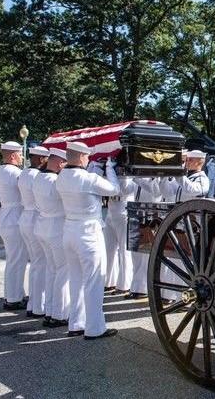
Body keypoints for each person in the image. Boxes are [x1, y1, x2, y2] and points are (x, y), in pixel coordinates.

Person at [56, 141, 120, 339]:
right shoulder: (88, 178)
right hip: (88, 234)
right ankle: (94, 328)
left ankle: (76, 324)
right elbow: (114, 190)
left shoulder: (61, 177)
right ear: (82, 157)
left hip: (69, 231)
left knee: (75, 280)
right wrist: (109, 168)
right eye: (86, 157)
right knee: (93, 281)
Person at [32, 147, 69, 326]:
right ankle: (59, 314)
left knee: (51, 270)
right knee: (62, 270)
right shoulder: (56, 180)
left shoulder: (38, 177)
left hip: (42, 226)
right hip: (56, 227)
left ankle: (49, 310)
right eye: (64, 163)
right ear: (59, 162)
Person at [17, 145, 50, 317]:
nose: (47, 162)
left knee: (36, 264)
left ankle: (33, 303)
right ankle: (39, 305)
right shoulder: (37, 175)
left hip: (26, 217)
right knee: (41, 263)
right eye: (45, 159)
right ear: (39, 159)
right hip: (35, 217)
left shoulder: (23, 173)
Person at [0, 141, 27, 310]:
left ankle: (14, 294)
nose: (22, 157)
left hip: (6, 216)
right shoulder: (15, 172)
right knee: (17, 259)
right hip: (14, 217)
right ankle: (13, 298)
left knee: (13, 258)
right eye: (20, 154)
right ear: (13, 156)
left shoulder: (1, 170)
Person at [127, 177, 161, 300]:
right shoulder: (140, 177)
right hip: (136, 213)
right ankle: (136, 287)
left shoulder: (154, 176)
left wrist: (138, 178)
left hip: (150, 214)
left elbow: (156, 191)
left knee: (146, 255)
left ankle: (144, 288)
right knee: (135, 254)